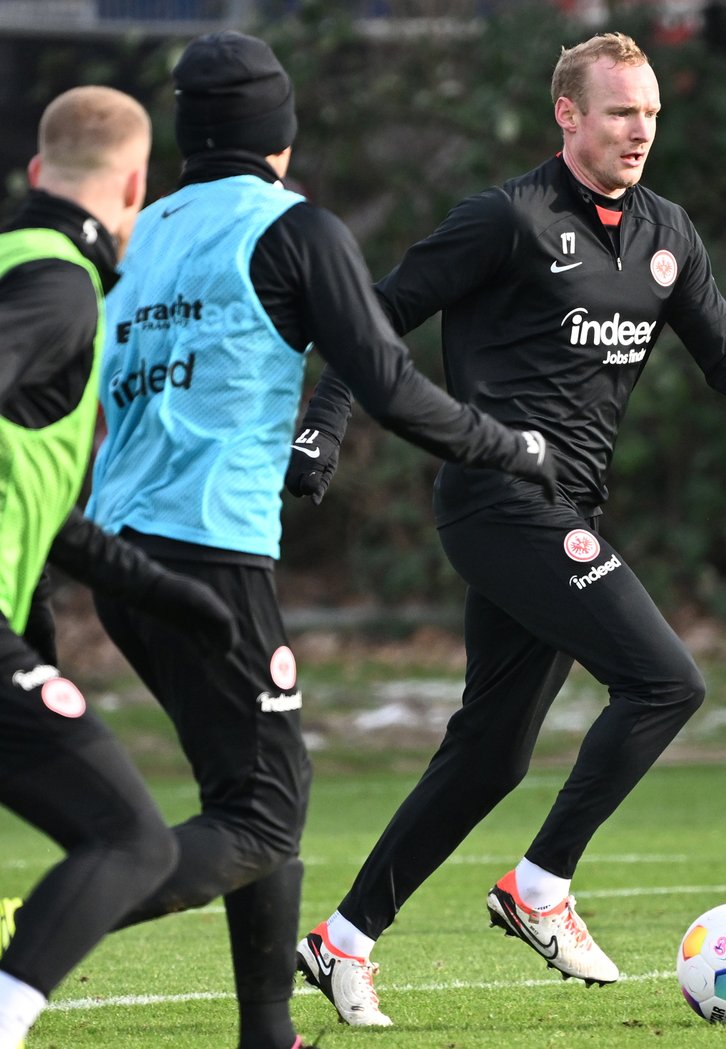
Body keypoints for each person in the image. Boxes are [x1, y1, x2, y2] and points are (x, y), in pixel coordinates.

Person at [287, 31, 726, 1026]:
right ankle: (539, 886)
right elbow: (374, 315)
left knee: (489, 754)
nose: (640, 130)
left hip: (568, 509)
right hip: (498, 499)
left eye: (651, 113)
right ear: (568, 115)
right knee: (667, 680)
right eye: (621, 112)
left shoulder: (665, 230)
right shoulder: (505, 219)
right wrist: (322, 425)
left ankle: (341, 940)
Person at [83, 31, 558, 1049]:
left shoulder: (135, 232)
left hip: (116, 557)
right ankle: (36, 926)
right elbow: (388, 384)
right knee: (261, 814)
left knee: (258, 794)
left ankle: (270, 1031)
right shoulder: (294, 229)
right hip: (207, 556)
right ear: (281, 134)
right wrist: (508, 445)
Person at [0, 85, 241, 1049]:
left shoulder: (23, 264)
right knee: (131, 839)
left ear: (35, 173)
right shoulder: (58, 285)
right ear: (135, 185)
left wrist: (164, 593)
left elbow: (46, 508)